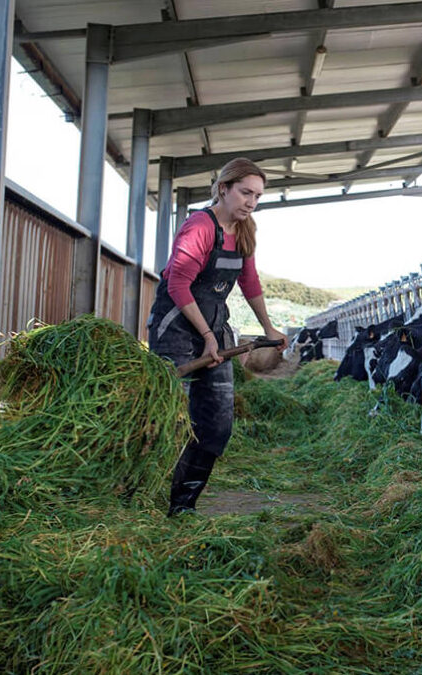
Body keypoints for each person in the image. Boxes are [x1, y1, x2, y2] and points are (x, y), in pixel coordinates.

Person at [147, 157, 288, 516]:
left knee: (217, 424)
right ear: (223, 189)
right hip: (176, 328)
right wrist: (208, 336)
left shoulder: (245, 230)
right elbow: (177, 282)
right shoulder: (199, 226)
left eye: (257, 196)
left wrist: (268, 327)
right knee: (166, 419)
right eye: (245, 193)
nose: (251, 202)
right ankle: (139, 493)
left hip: (215, 327)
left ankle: (182, 507)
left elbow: (249, 282)